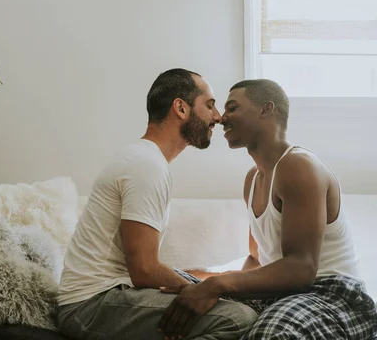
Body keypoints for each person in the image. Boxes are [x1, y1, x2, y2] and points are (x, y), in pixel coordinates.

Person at [158, 79, 377, 339]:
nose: (220, 118)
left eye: (232, 107)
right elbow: (256, 260)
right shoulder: (252, 180)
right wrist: (201, 287)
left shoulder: (299, 167)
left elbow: (301, 268)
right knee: (178, 292)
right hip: (281, 295)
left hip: (332, 294)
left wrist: (219, 284)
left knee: (270, 332)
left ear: (266, 110)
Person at [57, 69, 258, 339]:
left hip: (106, 296)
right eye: (209, 105)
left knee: (225, 305)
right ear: (181, 108)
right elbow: (144, 269)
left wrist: (201, 285)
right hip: (90, 305)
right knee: (238, 318)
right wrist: (199, 290)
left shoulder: (147, 161)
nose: (218, 117)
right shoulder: (146, 165)